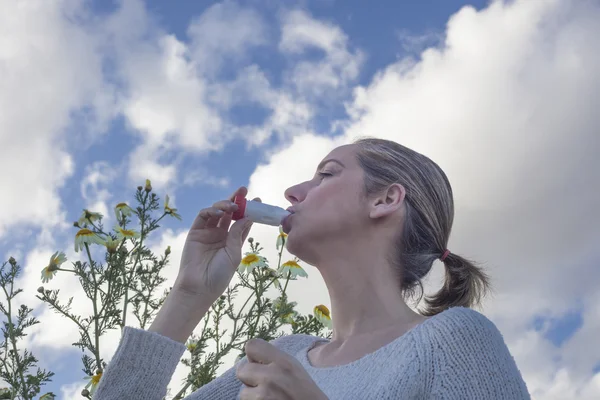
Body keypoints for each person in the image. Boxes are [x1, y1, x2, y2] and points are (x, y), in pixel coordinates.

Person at [94, 138, 530, 399]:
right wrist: (188, 295)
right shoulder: (281, 356)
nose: (293, 191)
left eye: (326, 174)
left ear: (384, 200)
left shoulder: (453, 340)